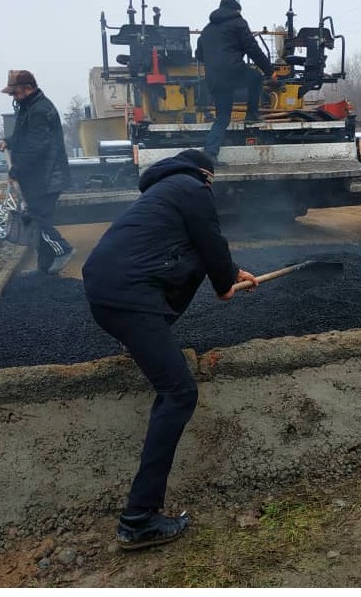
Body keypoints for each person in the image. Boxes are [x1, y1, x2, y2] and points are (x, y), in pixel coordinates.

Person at [81, 149, 257, 550]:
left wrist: (228, 274)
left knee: (191, 257)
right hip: (131, 297)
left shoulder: (161, 194)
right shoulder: (193, 186)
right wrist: (224, 282)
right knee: (179, 392)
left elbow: (196, 251)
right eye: (210, 181)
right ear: (206, 175)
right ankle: (138, 519)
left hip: (105, 291)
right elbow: (210, 238)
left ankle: (143, 343)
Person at [0, 69, 74, 275]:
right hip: (41, 177)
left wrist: (16, 170)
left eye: (15, 93)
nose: (13, 97)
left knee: (38, 221)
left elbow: (35, 147)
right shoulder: (30, 107)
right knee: (38, 222)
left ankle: (63, 250)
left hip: (47, 177)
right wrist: (9, 141)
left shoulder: (40, 110)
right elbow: (25, 137)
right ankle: (45, 269)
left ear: (28, 88)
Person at [195, 0, 277, 165]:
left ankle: (210, 154)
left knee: (223, 118)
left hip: (215, 79)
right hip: (233, 72)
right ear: (235, 10)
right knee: (255, 77)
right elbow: (252, 48)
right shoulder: (238, 22)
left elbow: (199, 55)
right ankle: (251, 114)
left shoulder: (206, 30)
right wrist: (270, 71)